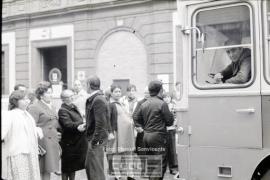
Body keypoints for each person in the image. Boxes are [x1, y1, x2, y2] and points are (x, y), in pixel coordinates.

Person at [133, 80, 174, 180]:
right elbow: (170, 122)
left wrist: (141, 127)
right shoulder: (162, 104)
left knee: (151, 162)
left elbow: (136, 117)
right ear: (160, 90)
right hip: (158, 136)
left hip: (146, 136)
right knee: (160, 163)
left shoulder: (144, 104)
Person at [2, 90, 42, 180]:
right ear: (15, 101)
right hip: (18, 153)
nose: (27, 101)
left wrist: (37, 130)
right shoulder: (10, 115)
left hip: (31, 152)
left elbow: (26, 129)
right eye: (23, 99)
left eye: (27, 99)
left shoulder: (27, 114)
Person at [28, 82, 62, 180]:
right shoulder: (35, 107)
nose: (51, 95)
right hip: (41, 143)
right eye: (48, 92)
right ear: (41, 95)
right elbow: (31, 127)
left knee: (48, 169)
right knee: (40, 170)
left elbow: (54, 122)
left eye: (51, 92)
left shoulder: (51, 105)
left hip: (51, 142)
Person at [106, 84, 135, 180]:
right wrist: (110, 132)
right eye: (116, 91)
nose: (118, 93)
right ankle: (117, 175)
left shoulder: (121, 103)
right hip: (118, 133)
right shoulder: (110, 104)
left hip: (127, 133)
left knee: (129, 152)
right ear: (111, 93)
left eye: (119, 91)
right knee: (117, 154)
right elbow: (108, 120)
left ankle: (130, 175)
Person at [58, 89, 88, 180]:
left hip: (75, 141)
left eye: (73, 96)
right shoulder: (63, 110)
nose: (72, 98)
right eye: (70, 97)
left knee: (72, 168)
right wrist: (78, 126)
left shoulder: (73, 106)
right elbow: (67, 124)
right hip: (69, 143)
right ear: (64, 99)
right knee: (67, 168)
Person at [85, 76, 110, 180]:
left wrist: (94, 142)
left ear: (89, 85)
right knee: (91, 167)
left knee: (95, 171)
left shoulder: (97, 99)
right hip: (95, 139)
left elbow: (101, 124)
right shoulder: (97, 98)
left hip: (96, 141)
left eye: (85, 84)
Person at [163, 92, 179, 176]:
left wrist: (174, 124)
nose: (166, 99)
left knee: (172, 150)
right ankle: (165, 168)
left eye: (168, 97)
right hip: (163, 130)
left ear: (170, 98)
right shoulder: (161, 106)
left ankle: (173, 168)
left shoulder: (173, 106)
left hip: (171, 130)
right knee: (164, 150)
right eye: (165, 97)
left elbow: (176, 117)